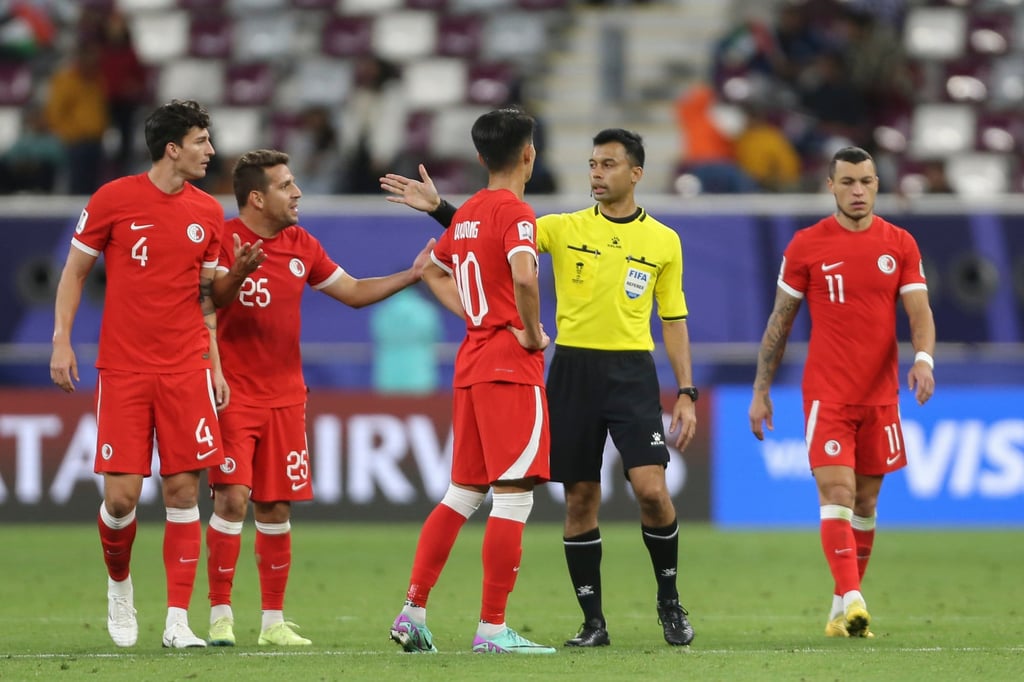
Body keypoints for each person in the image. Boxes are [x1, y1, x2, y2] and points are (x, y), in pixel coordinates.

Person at [381, 127, 699, 648]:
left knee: (652, 491)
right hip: (570, 373)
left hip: (632, 374)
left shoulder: (664, 241)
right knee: (579, 498)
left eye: (609, 164)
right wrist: (442, 210)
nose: (596, 172)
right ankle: (592, 622)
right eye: (592, 163)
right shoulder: (560, 226)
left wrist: (686, 391)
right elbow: (491, 231)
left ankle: (668, 600)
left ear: (636, 173)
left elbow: (675, 318)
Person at [205, 149, 433, 647]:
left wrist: (412, 276)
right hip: (232, 394)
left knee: (275, 509)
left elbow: (351, 291)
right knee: (232, 498)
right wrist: (237, 275)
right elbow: (207, 303)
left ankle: (272, 623)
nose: (298, 192)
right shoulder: (219, 239)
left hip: (286, 396)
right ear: (257, 197)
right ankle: (219, 615)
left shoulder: (300, 244)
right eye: (287, 185)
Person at [49, 99, 228, 649]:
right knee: (122, 499)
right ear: (173, 148)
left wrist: (215, 363)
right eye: (201, 141)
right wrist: (61, 339)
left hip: (185, 367)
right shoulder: (113, 199)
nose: (211, 151)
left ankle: (178, 622)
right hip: (124, 369)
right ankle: (120, 588)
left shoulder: (209, 213)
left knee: (182, 491)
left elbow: (209, 299)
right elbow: (75, 272)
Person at [748, 145, 936, 638]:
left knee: (867, 504)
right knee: (837, 493)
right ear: (830, 186)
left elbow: (919, 312)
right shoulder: (808, 245)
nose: (858, 190)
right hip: (828, 394)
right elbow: (779, 323)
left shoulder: (900, 244)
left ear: (877, 185)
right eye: (848, 181)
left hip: (880, 397)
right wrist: (761, 389)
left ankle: (839, 609)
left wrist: (923, 359)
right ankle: (855, 597)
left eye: (866, 182)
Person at [387, 108, 556, 655]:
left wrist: (478, 315)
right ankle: (492, 628)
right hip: (511, 367)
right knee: (513, 498)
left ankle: (412, 611)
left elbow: (427, 267)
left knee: (461, 493)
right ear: (528, 154)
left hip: (473, 364)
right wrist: (530, 332)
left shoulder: (468, 216)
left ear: (482, 158)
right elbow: (526, 274)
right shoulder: (517, 212)